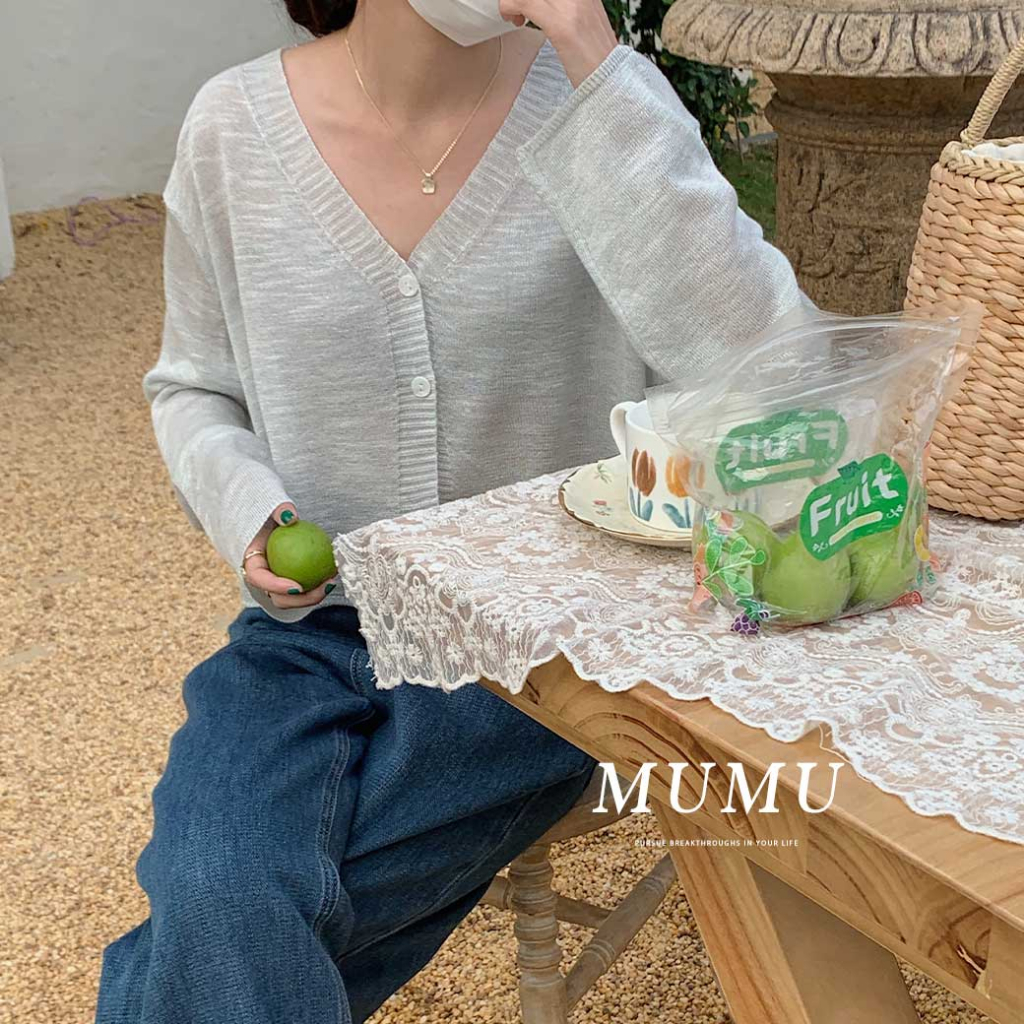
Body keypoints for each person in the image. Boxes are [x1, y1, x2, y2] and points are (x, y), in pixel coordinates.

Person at [95, 0, 803, 1019]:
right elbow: (193, 388)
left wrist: (593, 52)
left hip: (540, 653)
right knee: (218, 890)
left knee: (223, 925)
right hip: (310, 632)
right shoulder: (231, 130)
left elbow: (763, 375)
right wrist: (249, 507)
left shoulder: (602, 103)